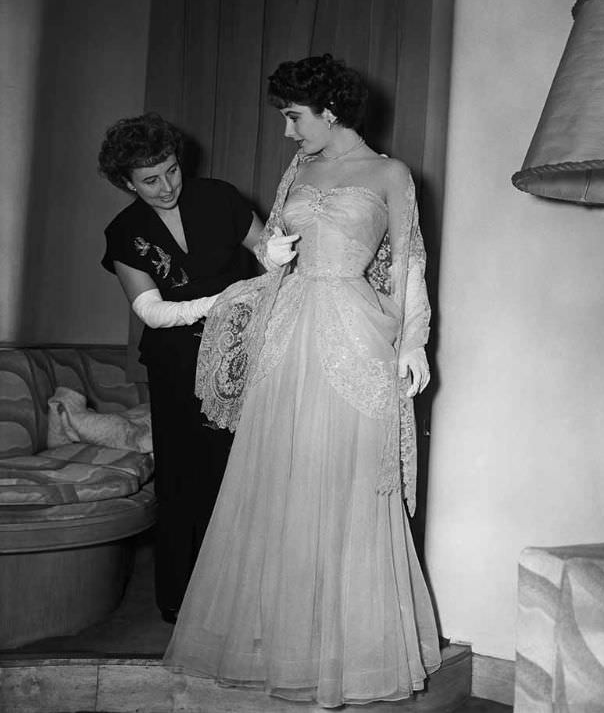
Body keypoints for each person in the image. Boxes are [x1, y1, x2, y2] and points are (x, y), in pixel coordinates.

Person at [164, 55, 441, 707]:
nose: (287, 132)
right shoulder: (300, 169)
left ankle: (348, 652)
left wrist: (412, 340)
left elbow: (408, 266)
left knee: (345, 482)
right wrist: (272, 253)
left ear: (330, 110)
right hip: (289, 334)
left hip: (355, 332)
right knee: (282, 477)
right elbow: (275, 246)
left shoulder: (391, 173)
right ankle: (280, 646)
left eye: (293, 116)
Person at [98, 112, 266, 624]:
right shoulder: (124, 232)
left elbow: (266, 251)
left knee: (242, 471)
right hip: (175, 365)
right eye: (150, 180)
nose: (167, 185)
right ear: (127, 183)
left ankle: (244, 596)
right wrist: (221, 302)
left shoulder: (219, 196)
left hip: (242, 355)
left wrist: (274, 265)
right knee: (181, 479)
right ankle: (181, 602)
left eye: (171, 170)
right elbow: (150, 310)